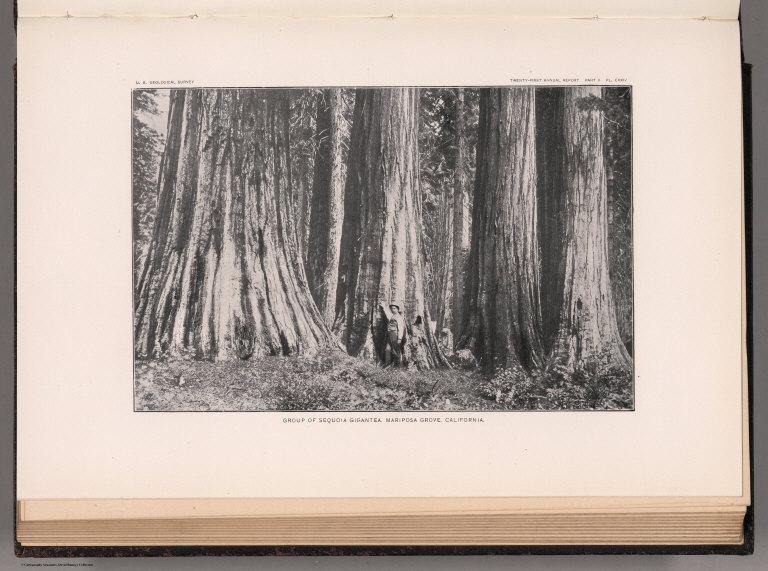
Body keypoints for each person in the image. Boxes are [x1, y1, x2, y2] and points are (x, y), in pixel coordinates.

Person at [381, 301, 407, 366]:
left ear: (397, 309)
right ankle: (387, 364)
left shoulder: (399, 317)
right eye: (392, 308)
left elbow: (401, 328)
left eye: (394, 308)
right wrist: (383, 306)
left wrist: (400, 338)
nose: (393, 310)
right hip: (390, 335)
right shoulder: (392, 316)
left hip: (395, 335)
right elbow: (387, 314)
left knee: (396, 351)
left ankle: (399, 366)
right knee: (387, 350)